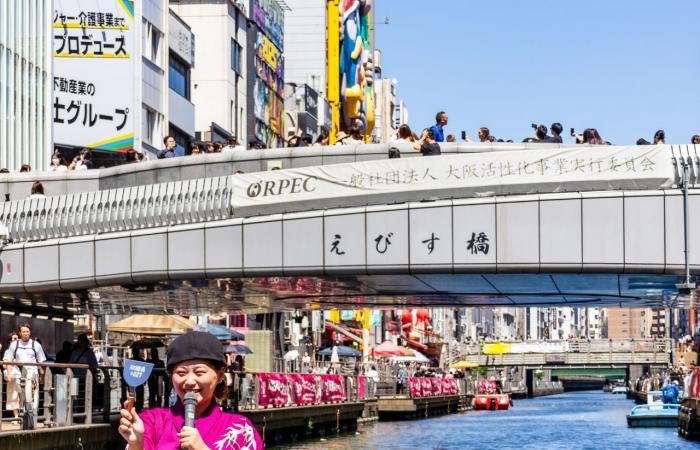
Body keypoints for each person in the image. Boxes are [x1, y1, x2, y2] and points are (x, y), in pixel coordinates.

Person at [118, 331, 263, 450]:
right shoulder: (151, 422)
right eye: (181, 373)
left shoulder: (241, 429)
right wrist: (136, 445)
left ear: (219, 374)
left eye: (199, 373)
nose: (189, 381)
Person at [3, 324, 47, 419]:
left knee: (33, 397)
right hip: (19, 376)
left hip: (33, 376)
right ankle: (25, 419)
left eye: (27, 331)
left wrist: (42, 376)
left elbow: (42, 362)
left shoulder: (36, 345)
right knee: (23, 398)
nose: (26, 333)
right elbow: (8, 360)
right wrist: (9, 373)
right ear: (20, 333)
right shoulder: (14, 345)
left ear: (30, 332)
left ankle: (33, 419)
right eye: (23, 332)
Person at [3, 332, 19, 421]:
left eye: (17, 338)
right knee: (13, 396)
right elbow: (4, 365)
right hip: (12, 376)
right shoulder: (8, 351)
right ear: (10, 341)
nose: (17, 340)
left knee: (22, 396)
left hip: (20, 375)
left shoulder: (22, 349)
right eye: (14, 338)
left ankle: (22, 417)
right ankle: (16, 417)